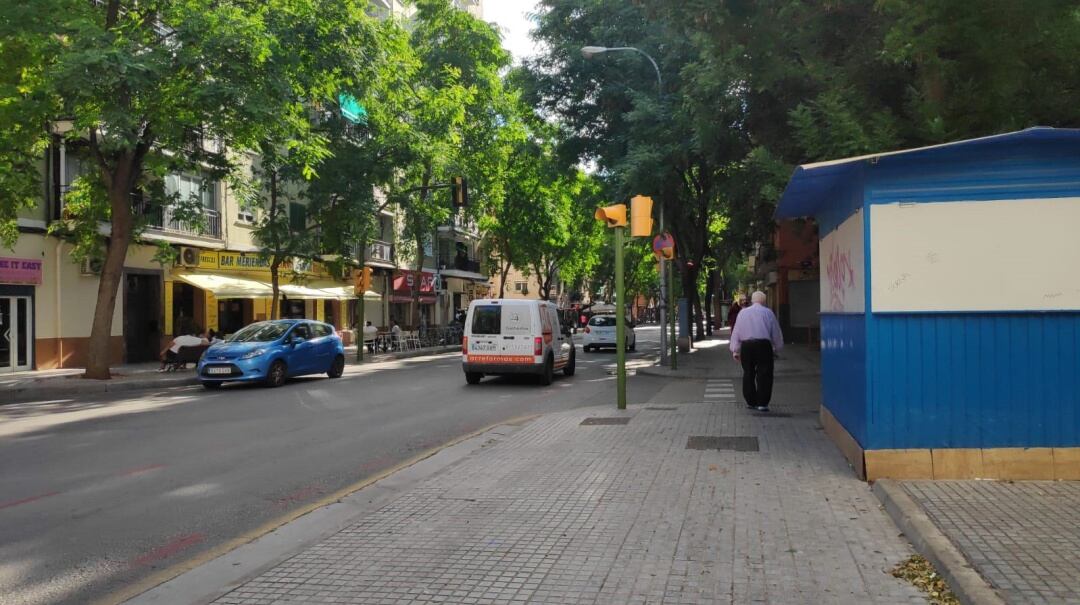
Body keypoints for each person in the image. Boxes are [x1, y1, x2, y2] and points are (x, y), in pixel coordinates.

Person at [730, 291, 783, 412]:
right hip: (764, 345)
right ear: (764, 301)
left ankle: (750, 401)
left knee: (748, 372)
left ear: (752, 300)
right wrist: (777, 347)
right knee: (764, 373)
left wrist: (735, 350)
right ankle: (762, 403)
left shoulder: (743, 313)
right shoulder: (768, 313)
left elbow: (736, 331)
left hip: (747, 346)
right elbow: (775, 331)